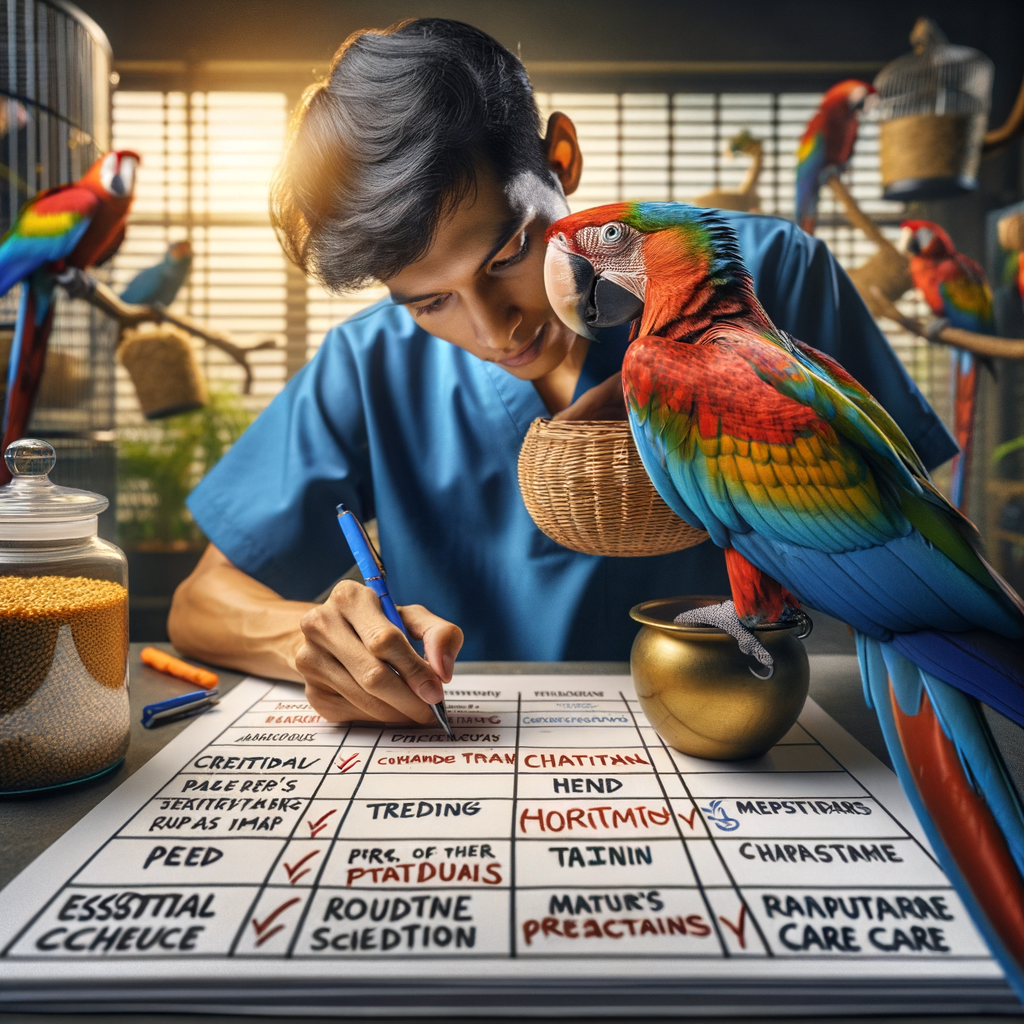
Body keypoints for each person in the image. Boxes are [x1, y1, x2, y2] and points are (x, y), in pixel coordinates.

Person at [169, 18, 956, 727]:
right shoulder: (368, 364)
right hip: (490, 759)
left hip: (759, 730)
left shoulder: (766, 276)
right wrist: (318, 639)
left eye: (508, 253)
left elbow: (936, 537)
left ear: (561, 159)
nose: (495, 329)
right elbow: (202, 603)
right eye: (430, 303)